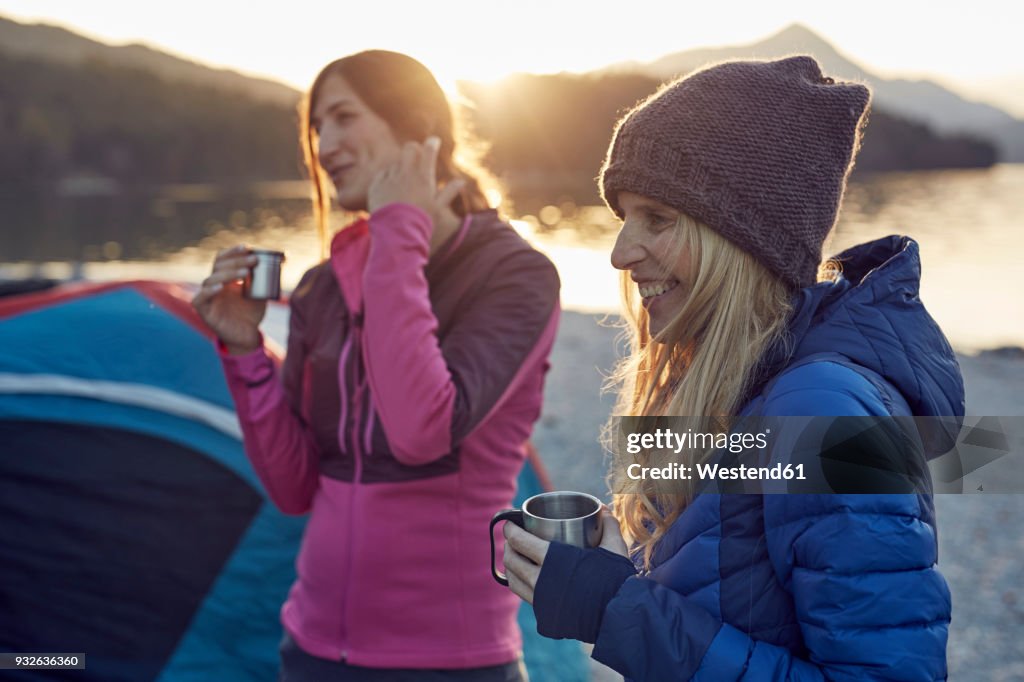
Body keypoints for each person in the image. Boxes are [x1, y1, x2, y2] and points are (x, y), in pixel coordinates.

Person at [501, 55, 963, 680]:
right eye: (622, 217)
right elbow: (734, 605)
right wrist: (619, 577)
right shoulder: (740, 385)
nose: (618, 253)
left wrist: (616, 610)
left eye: (658, 219)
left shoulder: (822, 411)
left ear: (744, 239)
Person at [192, 50, 560, 681]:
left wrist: (397, 231)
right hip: (309, 650)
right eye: (315, 128)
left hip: (451, 662)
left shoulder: (515, 276)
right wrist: (245, 351)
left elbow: (421, 431)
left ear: (416, 123)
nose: (324, 144)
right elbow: (292, 487)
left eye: (342, 117)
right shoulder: (322, 288)